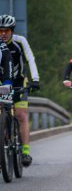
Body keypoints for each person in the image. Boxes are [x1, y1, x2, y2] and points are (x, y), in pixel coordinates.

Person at [0, 14, 40, 167]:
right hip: (2, 83)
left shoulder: (20, 41)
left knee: (21, 114)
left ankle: (25, 151)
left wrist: (35, 79)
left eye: (7, 31)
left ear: (12, 30)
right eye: (0, 31)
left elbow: (30, 59)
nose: (3, 34)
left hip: (18, 82)